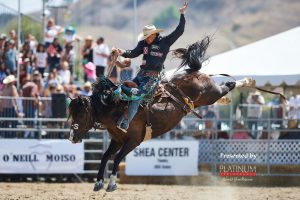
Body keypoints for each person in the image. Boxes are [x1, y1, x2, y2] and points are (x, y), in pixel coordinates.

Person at [114, 2, 188, 133]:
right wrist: (122, 52)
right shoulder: (143, 44)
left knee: (137, 96)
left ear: (154, 34)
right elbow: (133, 53)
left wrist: (182, 14)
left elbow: (179, 31)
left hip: (153, 77)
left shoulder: (165, 42)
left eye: (148, 36)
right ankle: (115, 112)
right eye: (146, 36)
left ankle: (125, 123)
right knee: (122, 89)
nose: (147, 38)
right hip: (141, 74)